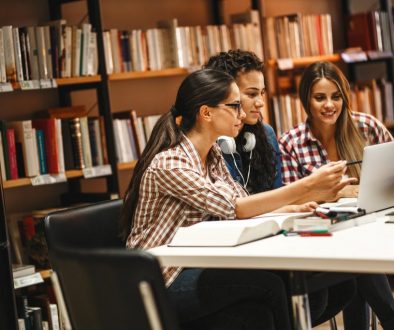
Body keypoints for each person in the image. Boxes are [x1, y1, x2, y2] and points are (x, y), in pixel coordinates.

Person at [120, 69, 353, 329]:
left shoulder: (213, 155)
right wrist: (308, 185)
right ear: (206, 113)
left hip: (193, 264)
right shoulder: (171, 163)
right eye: (234, 106)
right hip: (159, 281)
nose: (242, 115)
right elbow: (237, 208)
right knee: (270, 286)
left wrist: (292, 206)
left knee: (318, 287)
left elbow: (240, 203)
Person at [204, 50, 358, 327]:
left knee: (341, 284)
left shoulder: (265, 136)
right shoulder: (211, 145)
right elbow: (234, 210)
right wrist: (308, 190)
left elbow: (277, 199)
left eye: (262, 93)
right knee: (310, 291)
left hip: (269, 239)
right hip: (233, 247)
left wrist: (313, 197)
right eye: (251, 94)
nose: (260, 103)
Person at [279, 61, 394, 330]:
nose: (329, 105)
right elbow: (289, 199)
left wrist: (339, 192)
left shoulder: (366, 126)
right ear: (306, 100)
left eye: (336, 96)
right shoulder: (291, 142)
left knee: (357, 250)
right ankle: (390, 317)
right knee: (353, 252)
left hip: (369, 226)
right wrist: (339, 193)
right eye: (320, 98)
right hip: (317, 231)